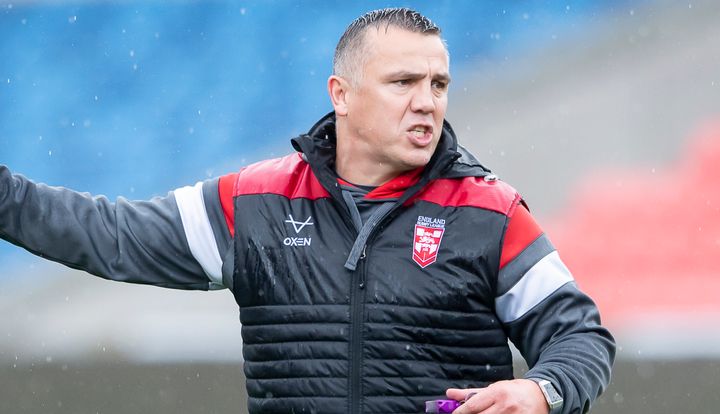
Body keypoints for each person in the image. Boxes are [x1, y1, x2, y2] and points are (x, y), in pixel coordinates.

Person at [0, 8, 615, 414]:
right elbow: (111, 235)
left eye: (439, 84)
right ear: (340, 96)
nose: (427, 102)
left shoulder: (489, 211)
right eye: (403, 83)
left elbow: (579, 335)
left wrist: (543, 390)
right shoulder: (258, 201)